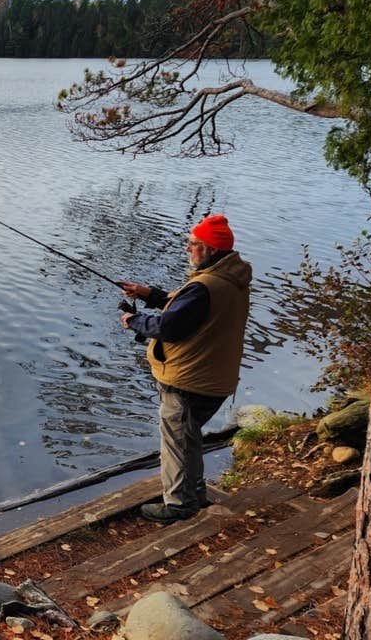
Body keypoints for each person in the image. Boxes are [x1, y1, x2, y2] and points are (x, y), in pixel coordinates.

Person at [117, 214, 252, 523]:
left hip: (190, 383)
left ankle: (178, 505)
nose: (187, 248)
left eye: (192, 244)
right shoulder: (230, 278)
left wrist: (133, 320)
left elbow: (169, 327)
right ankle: (196, 494)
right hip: (215, 377)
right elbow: (189, 308)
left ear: (210, 249)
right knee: (189, 438)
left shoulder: (205, 285)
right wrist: (150, 294)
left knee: (176, 442)